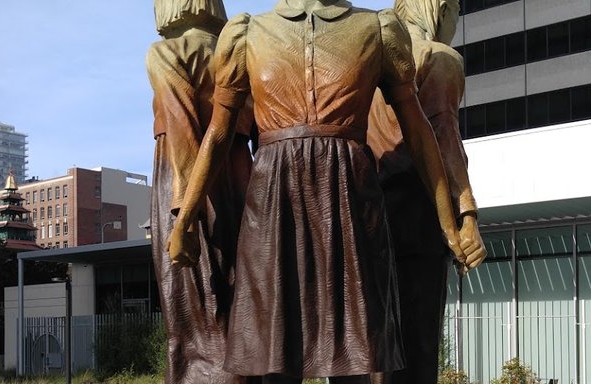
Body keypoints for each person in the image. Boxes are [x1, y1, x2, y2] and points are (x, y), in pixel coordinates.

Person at [168, 1, 481, 382]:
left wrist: (452, 222)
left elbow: (420, 132)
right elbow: (217, 135)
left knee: (354, 355)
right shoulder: (247, 34)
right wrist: (185, 217)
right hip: (273, 206)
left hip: (351, 203)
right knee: (275, 357)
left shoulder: (376, 29)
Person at [367, 0, 486, 383]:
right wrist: (467, 214)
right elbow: (444, 136)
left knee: (371, 347)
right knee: (417, 349)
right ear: (440, 9)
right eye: (455, 13)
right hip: (420, 212)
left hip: (365, 214)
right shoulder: (438, 57)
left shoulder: (364, 62)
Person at [146, 1, 254, 383]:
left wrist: (185, 217)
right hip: (243, 181)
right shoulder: (241, 49)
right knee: (240, 301)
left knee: (194, 313)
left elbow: (181, 129)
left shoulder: (168, 52)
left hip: (185, 184)